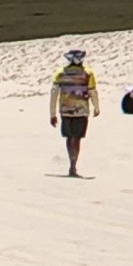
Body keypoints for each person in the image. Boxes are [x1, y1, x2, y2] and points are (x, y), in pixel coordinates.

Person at [49, 46, 100, 176]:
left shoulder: (60, 72)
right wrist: (96, 106)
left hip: (65, 110)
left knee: (69, 137)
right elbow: (92, 91)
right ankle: (73, 164)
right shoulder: (88, 73)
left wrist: (52, 113)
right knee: (76, 138)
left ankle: (71, 162)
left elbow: (54, 93)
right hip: (81, 110)